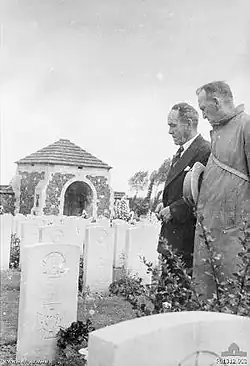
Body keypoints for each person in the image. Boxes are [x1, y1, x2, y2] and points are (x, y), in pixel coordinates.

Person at [193, 81, 250, 298]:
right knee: (206, 298)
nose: (203, 115)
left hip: (233, 233)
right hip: (210, 230)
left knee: (232, 298)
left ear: (216, 102)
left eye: (203, 109)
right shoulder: (217, 132)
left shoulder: (245, 125)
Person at [156, 102, 211, 271]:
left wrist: (174, 210)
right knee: (166, 293)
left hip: (187, 241)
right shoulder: (180, 153)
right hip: (172, 238)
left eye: (173, 126)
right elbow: (178, 188)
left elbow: (203, 193)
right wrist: (165, 203)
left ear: (188, 123)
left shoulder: (205, 150)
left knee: (179, 293)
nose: (170, 131)